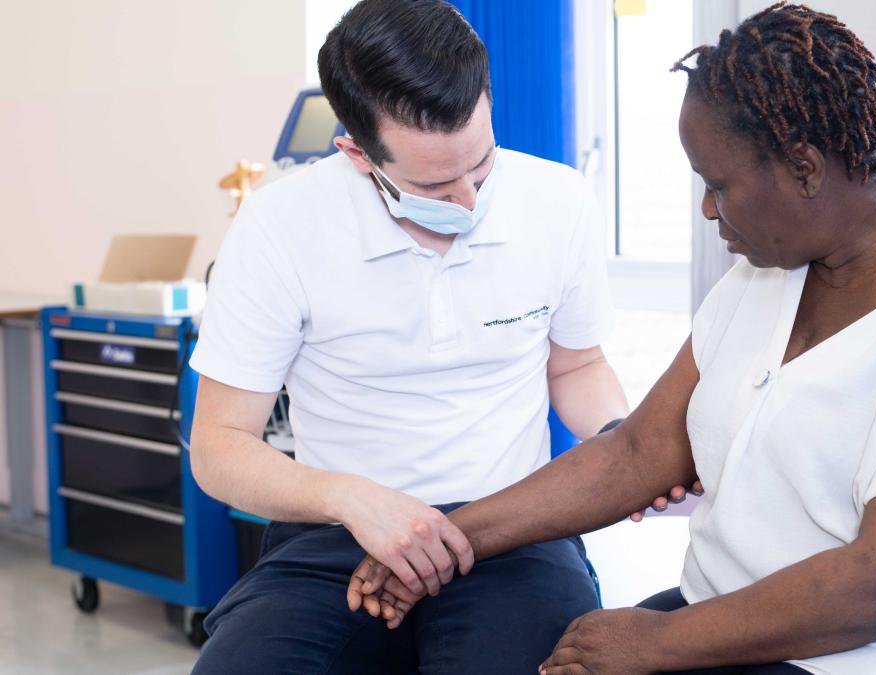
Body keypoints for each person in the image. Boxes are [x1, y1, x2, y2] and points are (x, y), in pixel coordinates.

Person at [349, 3, 876, 674]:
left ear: (804, 167)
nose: (705, 208)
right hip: (727, 614)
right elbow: (637, 450)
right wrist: (449, 540)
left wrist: (658, 640)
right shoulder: (763, 278)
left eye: (718, 184)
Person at [187, 1, 692, 672]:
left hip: (516, 530)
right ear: (356, 152)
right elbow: (218, 446)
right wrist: (351, 497)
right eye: (433, 183)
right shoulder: (281, 225)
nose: (469, 203)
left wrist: (618, 443)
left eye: (481, 167)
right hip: (338, 534)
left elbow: (576, 367)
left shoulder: (558, 202)